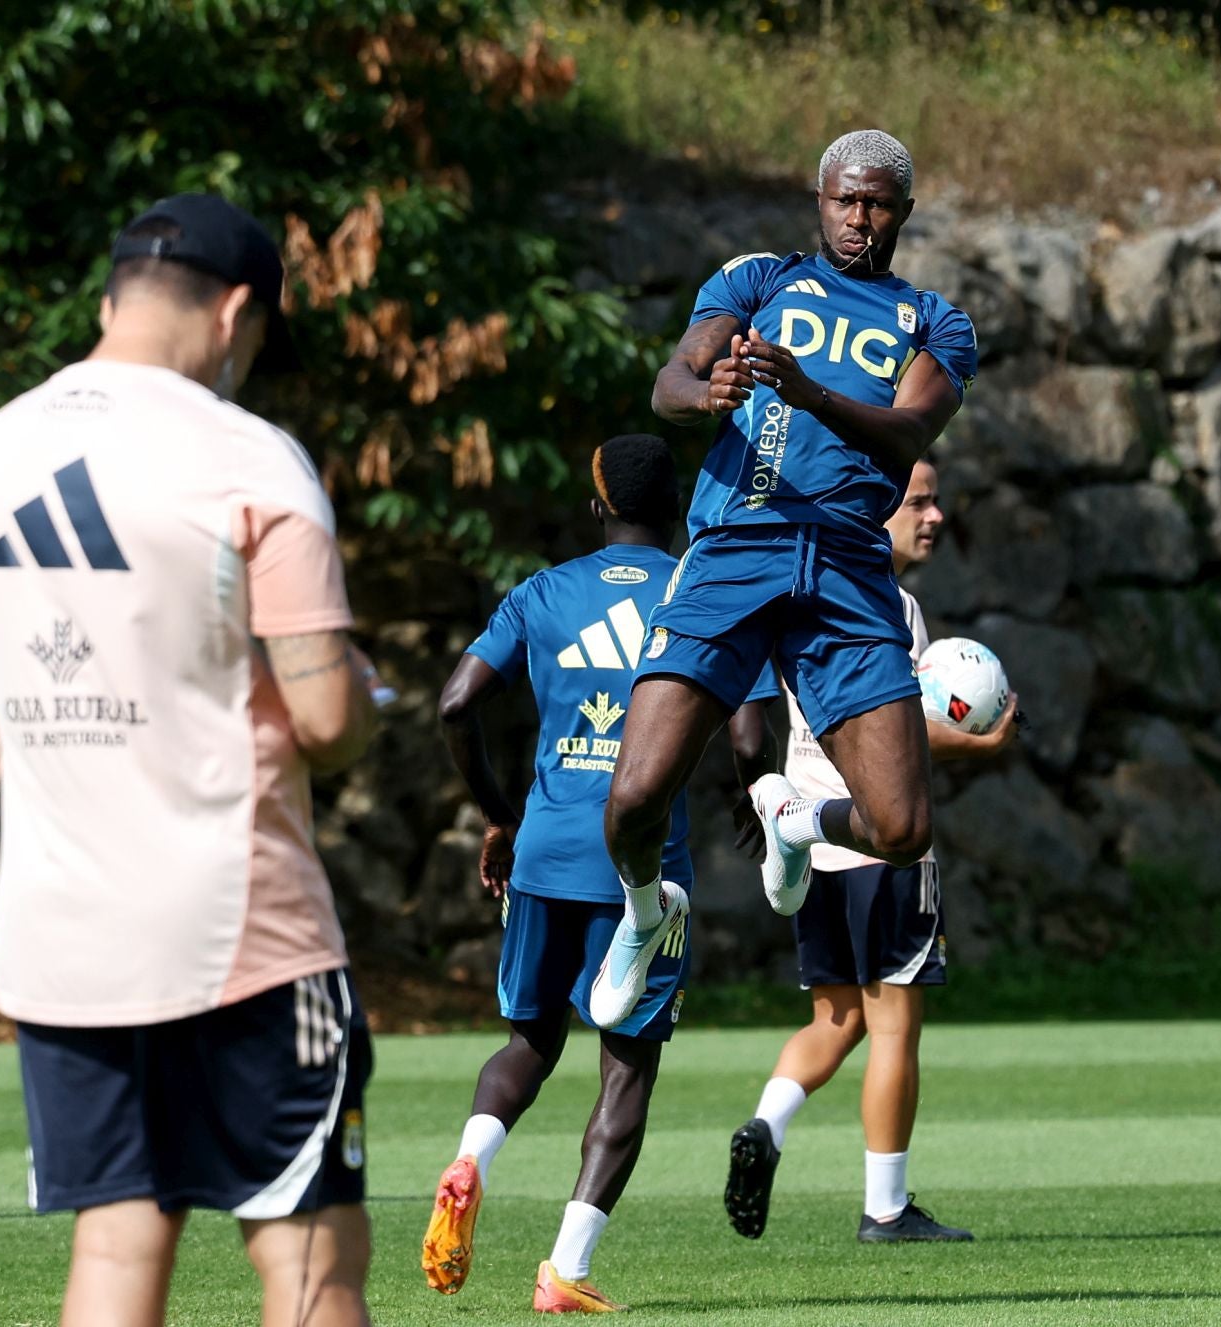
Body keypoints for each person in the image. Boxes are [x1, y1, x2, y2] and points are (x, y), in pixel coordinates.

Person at [0, 193, 379, 1327]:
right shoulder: (247, 455)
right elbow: (326, 719)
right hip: (239, 930)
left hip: (61, 935)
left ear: (110, 297)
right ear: (238, 309)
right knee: (310, 1252)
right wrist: (370, 695)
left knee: (116, 1244)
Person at [593, 129, 978, 1029]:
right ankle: (647, 913)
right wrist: (708, 395)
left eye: (877, 202)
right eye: (845, 199)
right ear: (820, 201)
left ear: (903, 213)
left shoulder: (935, 320)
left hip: (847, 562)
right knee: (634, 798)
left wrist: (810, 396)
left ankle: (799, 821)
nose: (859, 217)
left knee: (900, 827)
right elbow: (671, 380)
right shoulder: (759, 280)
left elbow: (911, 432)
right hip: (735, 546)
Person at [423, 434, 776, 1314]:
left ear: (596, 506)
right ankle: (565, 1270)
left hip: (544, 852)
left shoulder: (543, 591)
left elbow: (456, 703)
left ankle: (471, 1157)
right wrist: (751, 794)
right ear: (677, 508)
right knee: (627, 1066)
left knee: (529, 1043)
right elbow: (745, 728)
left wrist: (501, 812)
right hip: (639, 871)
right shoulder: (707, 588)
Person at [725, 458, 1015, 1244]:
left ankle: (766, 1126)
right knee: (892, 1028)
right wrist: (983, 744)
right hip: (882, 847)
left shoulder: (798, 591)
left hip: (811, 839)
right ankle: (886, 1207)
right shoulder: (891, 605)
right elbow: (902, 736)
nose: (935, 515)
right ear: (876, 507)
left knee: (837, 1016)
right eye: (918, 501)